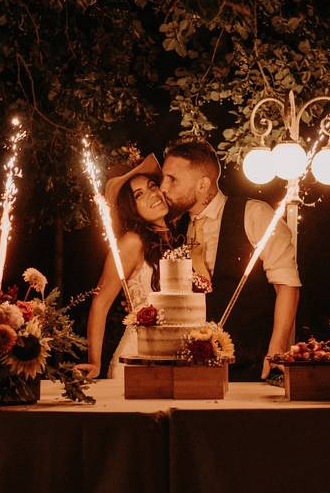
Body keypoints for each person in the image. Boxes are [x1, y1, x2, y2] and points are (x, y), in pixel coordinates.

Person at [160, 136, 301, 381]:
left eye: (172, 179)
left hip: (250, 364)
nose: (163, 187)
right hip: (191, 369)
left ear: (203, 185)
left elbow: (287, 284)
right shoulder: (175, 229)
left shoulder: (254, 214)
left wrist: (276, 351)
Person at [79, 154, 173, 379]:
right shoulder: (132, 242)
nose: (153, 194)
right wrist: (94, 362)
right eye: (139, 195)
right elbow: (100, 303)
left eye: (152, 186)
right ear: (132, 208)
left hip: (175, 362)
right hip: (136, 362)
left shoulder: (177, 238)